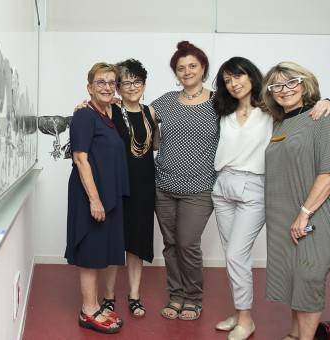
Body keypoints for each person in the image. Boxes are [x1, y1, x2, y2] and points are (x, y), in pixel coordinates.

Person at [211, 57, 330, 340]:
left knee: (235, 255)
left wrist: (327, 101)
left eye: (238, 76)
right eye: (227, 80)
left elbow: (300, 107)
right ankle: (241, 314)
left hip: (255, 187)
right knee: (233, 258)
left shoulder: (271, 110)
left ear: (252, 77)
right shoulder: (222, 111)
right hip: (223, 186)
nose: (233, 84)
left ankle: (246, 321)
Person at [262, 61, 330, 340]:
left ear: (304, 83)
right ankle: (295, 334)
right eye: (277, 86)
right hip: (284, 216)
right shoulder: (279, 122)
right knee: (294, 277)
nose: (285, 90)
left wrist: (305, 212)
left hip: (314, 215)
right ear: (271, 92)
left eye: (292, 82)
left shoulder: (320, 116)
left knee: (309, 279)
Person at [150, 41, 217, 322]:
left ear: (203, 68)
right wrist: (92, 106)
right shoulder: (166, 100)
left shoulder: (219, 102)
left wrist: (324, 101)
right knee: (170, 243)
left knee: (187, 243)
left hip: (199, 188)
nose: (187, 71)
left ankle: (193, 297)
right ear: (175, 73)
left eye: (192, 66)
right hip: (163, 185)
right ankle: (175, 295)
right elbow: (133, 118)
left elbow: (254, 114)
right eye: (181, 68)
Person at [65, 62, 129, 334]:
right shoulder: (84, 116)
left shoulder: (106, 114)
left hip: (107, 195)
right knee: (91, 253)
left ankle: (93, 305)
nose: (106, 87)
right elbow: (81, 159)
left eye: (111, 82)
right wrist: (94, 199)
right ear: (89, 87)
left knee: (101, 251)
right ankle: (88, 311)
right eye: (100, 82)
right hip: (90, 196)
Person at [99, 59, 158, 320]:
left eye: (137, 82)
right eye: (126, 82)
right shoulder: (110, 110)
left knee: (137, 244)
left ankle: (134, 295)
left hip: (144, 184)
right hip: (117, 185)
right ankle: (109, 297)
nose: (132, 87)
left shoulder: (150, 112)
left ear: (144, 85)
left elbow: (154, 145)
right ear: (118, 87)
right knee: (114, 242)